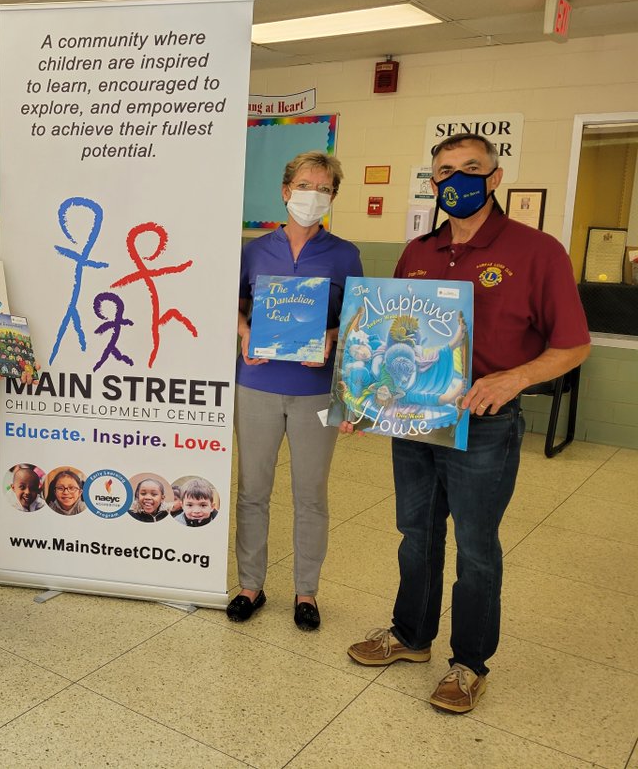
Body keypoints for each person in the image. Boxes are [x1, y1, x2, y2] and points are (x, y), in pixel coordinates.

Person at [347, 133, 590, 712]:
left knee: (477, 548)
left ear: (495, 177)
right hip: (415, 422)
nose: (456, 180)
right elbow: (386, 336)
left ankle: (468, 664)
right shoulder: (417, 252)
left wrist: (513, 379)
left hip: (486, 426)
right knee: (417, 534)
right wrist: (359, 399)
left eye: (470, 169)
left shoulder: (538, 251)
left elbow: (573, 345)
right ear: (433, 183)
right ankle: (410, 636)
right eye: (445, 172)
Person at [229, 151, 362, 632]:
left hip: (314, 391)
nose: (313, 196)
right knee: (252, 491)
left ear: (332, 198)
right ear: (286, 192)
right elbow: (230, 303)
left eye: (323, 189)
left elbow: (360, 321)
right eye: (305, 186)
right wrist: (244, 332)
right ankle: (250, 585)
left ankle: (306, 592)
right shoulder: (254, 250)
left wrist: (329, 339)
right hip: (257, 386)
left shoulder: (344, 253)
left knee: (310, 495)